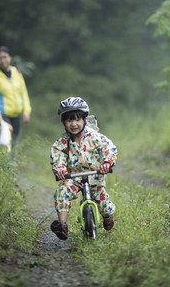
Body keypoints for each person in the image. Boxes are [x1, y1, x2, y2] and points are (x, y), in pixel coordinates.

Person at [50, 97, 118, 240]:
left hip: (95, 175)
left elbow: (109, 148)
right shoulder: (63, 142)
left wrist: (107, 162)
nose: (73, 124)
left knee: (104, 205)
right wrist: (60, 169)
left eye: (77, 120)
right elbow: (57, 155)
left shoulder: (94, 137)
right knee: (62, 192)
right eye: (69, 120)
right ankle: (62, 225)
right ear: (63, 122)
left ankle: (107, 217)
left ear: (85, 120)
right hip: (73, 177)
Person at [0, 46, 31, 159]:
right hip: (2, 116)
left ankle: (11, 173)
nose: (2, 60)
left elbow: (24, 93)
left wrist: (26, 111)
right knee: (4, 144)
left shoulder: (17, 73)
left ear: (10, 58)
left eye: (5, 57)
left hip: (16, 115)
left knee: (14, 144)